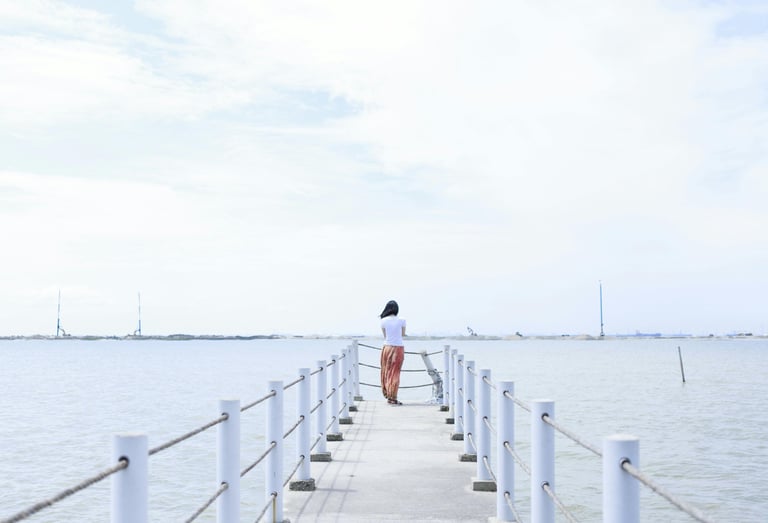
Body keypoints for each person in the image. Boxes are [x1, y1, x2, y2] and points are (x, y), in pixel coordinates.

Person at [380, 300, 406, 405]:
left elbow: (385, 336)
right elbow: (403, 334)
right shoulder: (402, 320)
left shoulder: (383, 321)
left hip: (386, 348)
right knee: (395, 373)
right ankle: (393, 398)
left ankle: (388, 395)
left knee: (386, 372)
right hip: (398, 348)